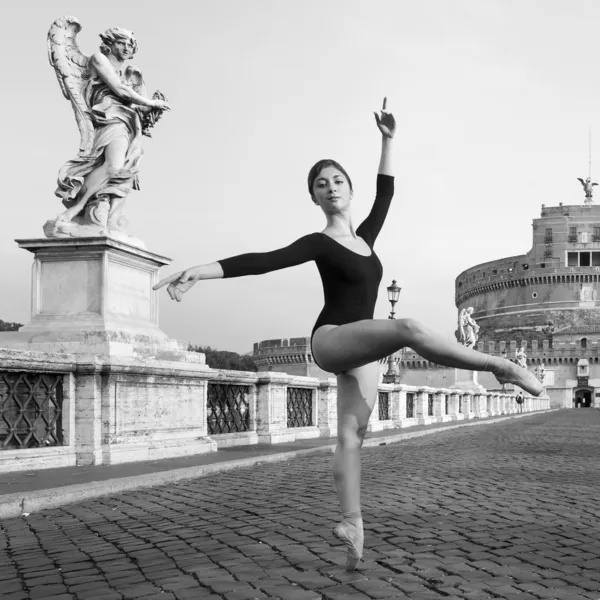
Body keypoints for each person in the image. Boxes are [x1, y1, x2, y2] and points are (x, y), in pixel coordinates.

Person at [154, 98, 543, 571]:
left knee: (351, 436)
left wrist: (387, 140)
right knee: (409, 328)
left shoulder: (366, 239)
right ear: (314, 198)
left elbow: (387, 194)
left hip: (362, 350)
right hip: (331, 338)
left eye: (337, 180)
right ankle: (502, 366)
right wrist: (200, 270)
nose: (330, 187)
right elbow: (262, 261)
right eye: (321, 184)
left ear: (348, 190)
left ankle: (352, 524)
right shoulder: (318, 242)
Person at [55, 26, 171, 225]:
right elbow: (120, 91)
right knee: (113, 165)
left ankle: (110, 218)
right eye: (121, 43)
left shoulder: (131, 73)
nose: (126, 48)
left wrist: (151, 112)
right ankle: (77, 208)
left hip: (129, 123)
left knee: (126, 169)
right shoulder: (99, 59)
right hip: (109, 117)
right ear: (109, 44)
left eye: (129, 45)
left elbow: (137, 106)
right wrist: (150, 103)